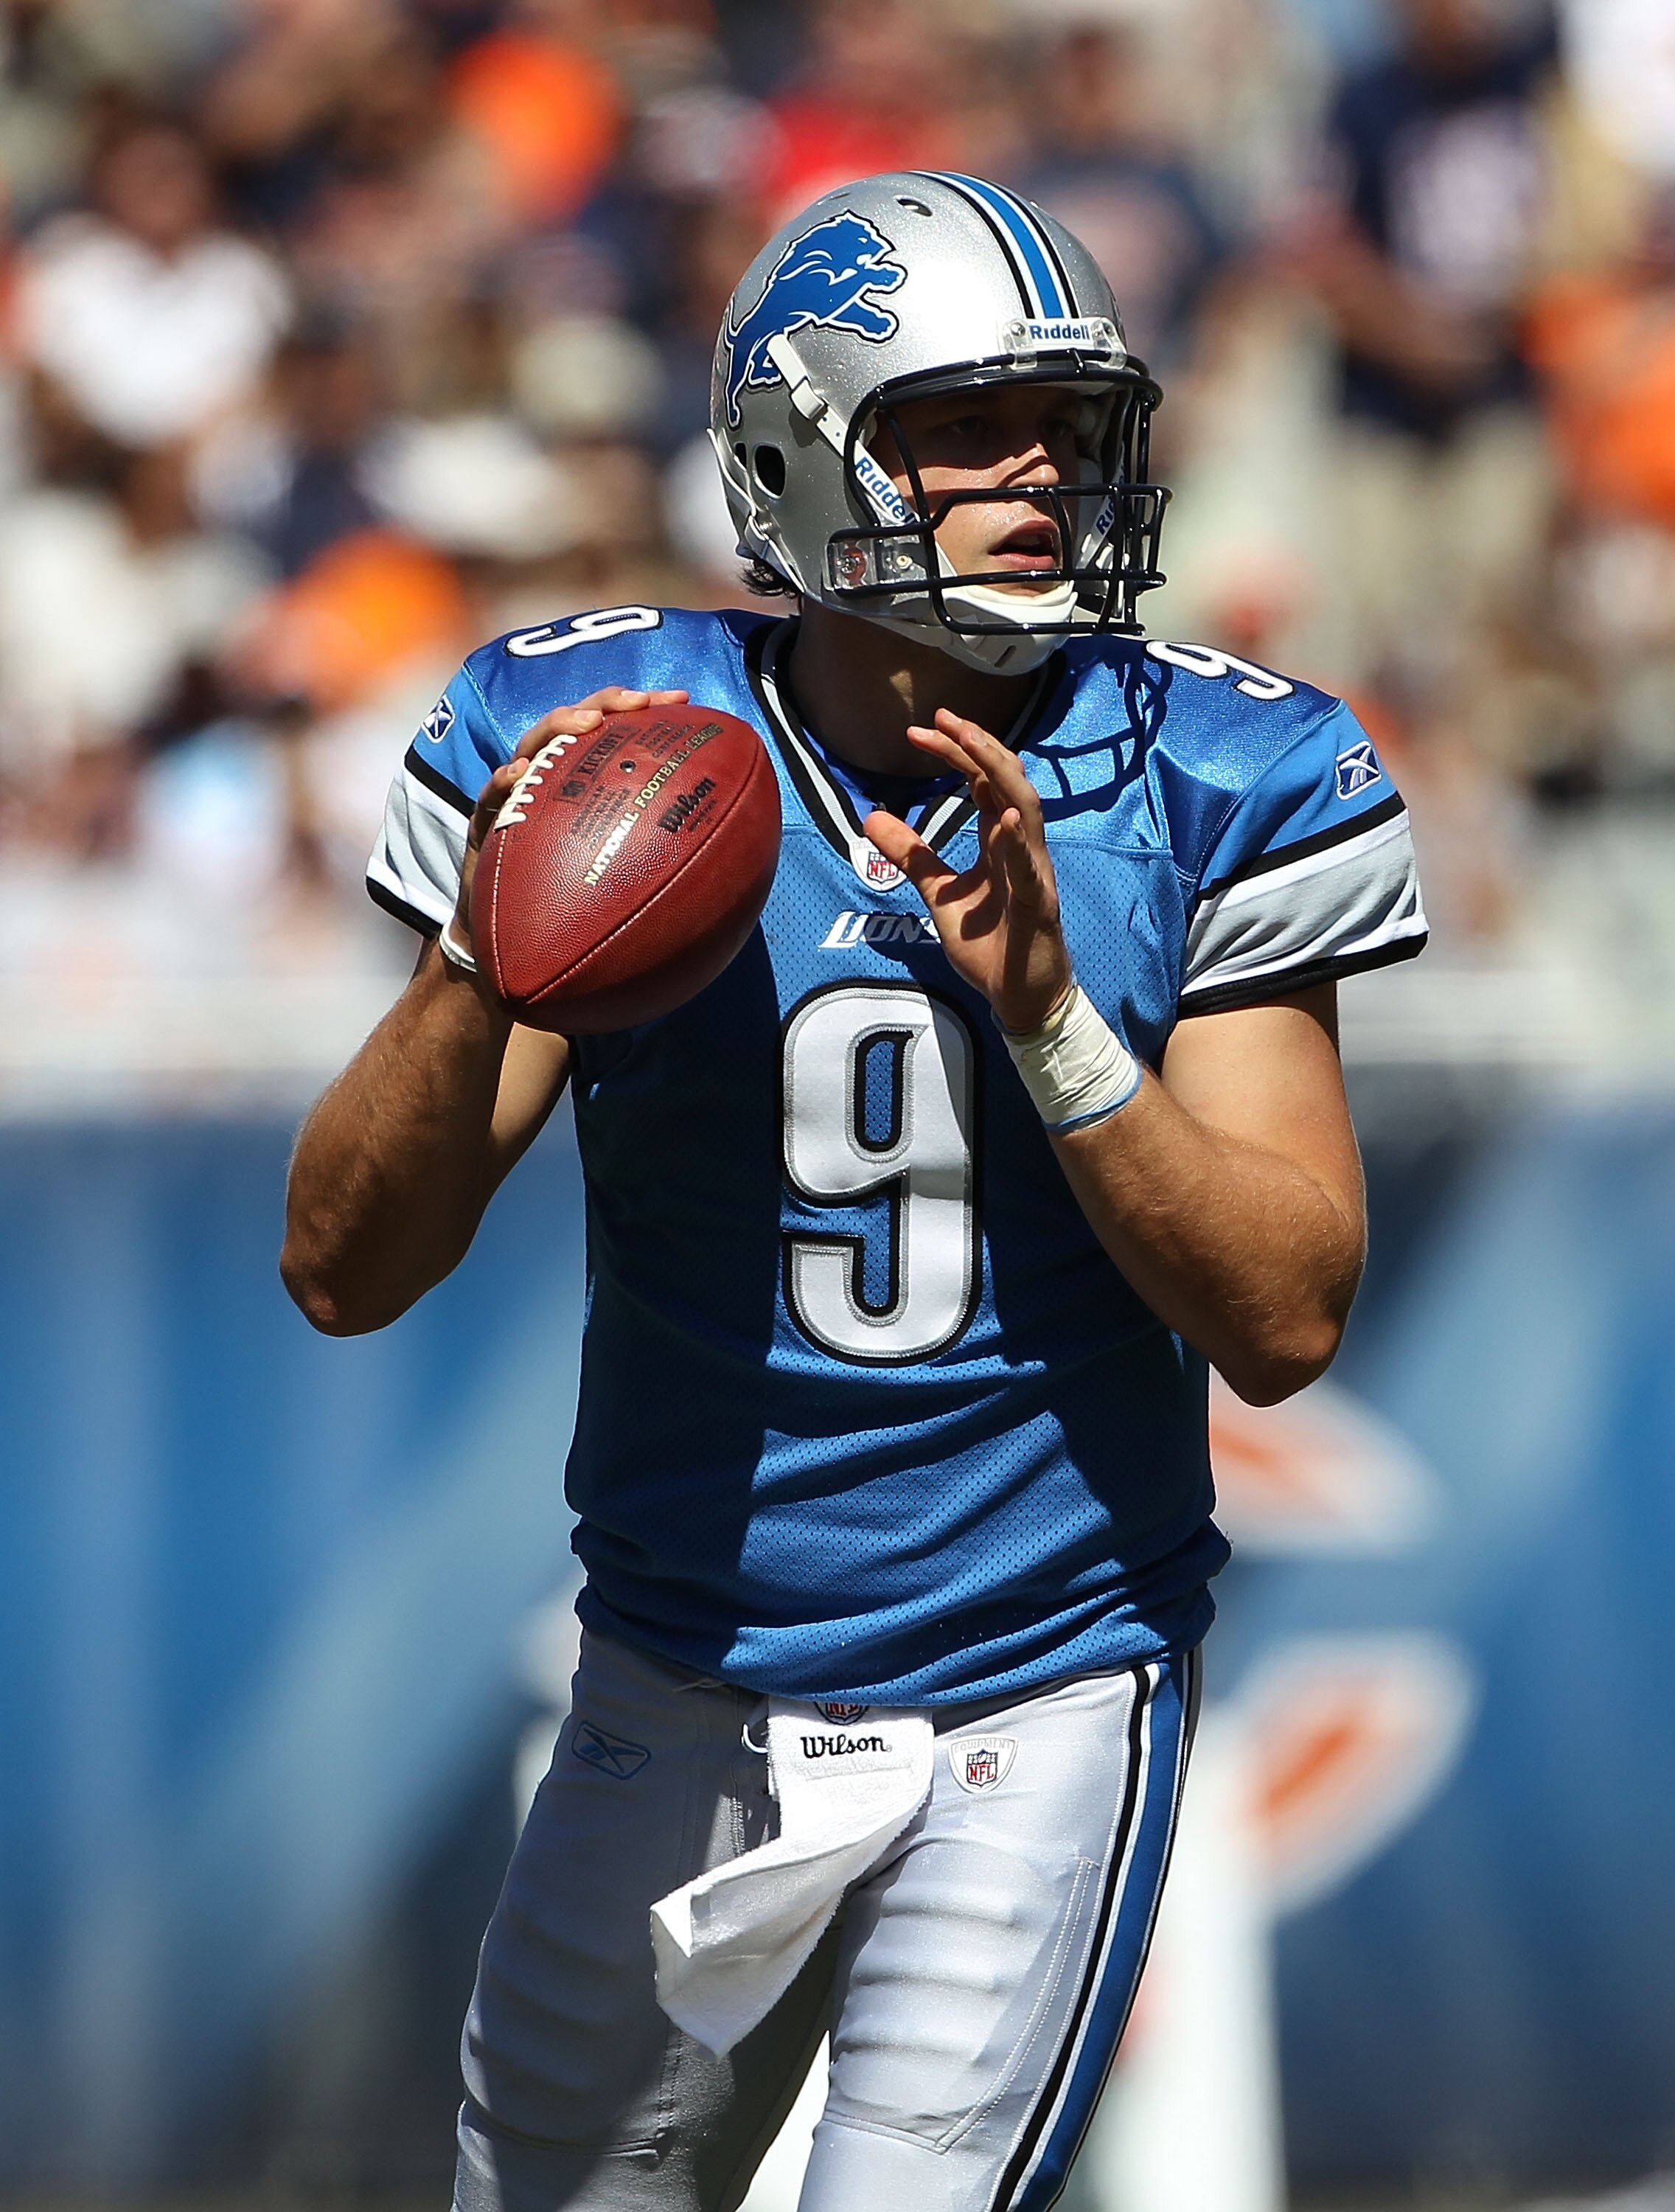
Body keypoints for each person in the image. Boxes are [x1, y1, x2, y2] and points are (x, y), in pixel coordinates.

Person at [282, 172, 1426, 2212]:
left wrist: (1062, 1028)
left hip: (1041, 1686)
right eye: (964, 431)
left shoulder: (1218, 770)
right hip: (674, 1674)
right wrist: (488, 958)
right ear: (801, 454)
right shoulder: (608, 736)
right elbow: (345, 1267)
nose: (1038, 481)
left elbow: (1288, 1313)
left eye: (1066, 430)